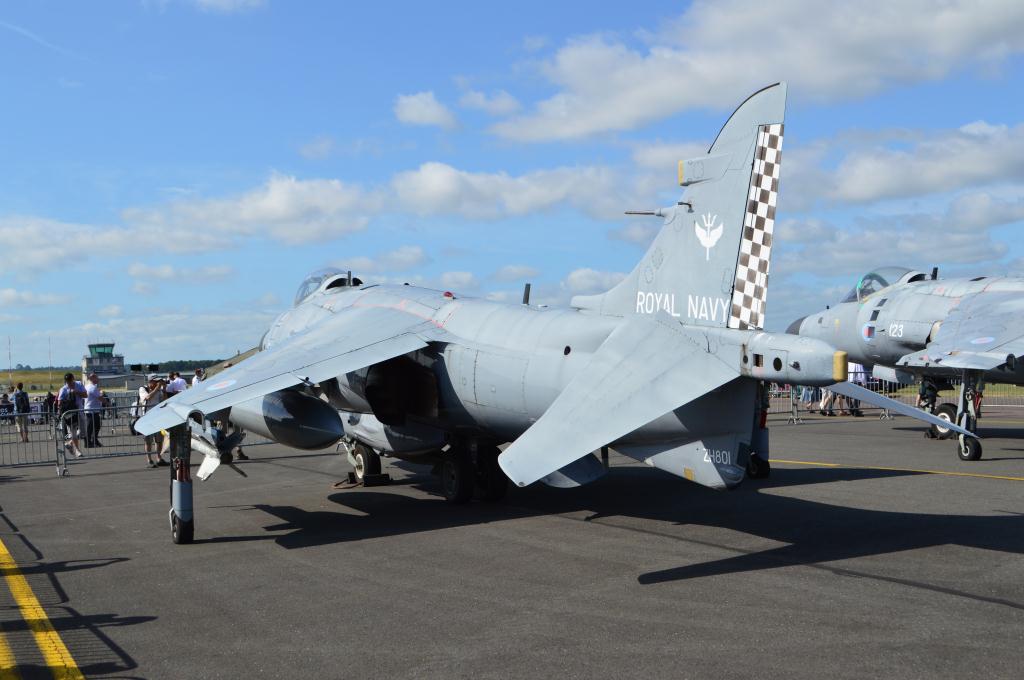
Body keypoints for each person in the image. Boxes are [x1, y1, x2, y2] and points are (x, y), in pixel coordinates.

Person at [138, 375, 170, 467]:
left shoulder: (159, 390)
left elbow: (165, 401)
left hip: (157, 418)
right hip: (147, 418)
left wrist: (164, 389)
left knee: (159, 440)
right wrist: (157, 388)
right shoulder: (143, 389)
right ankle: (149, 460)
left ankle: (159, 458)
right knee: (148, 440)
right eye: (155, 381)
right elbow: (147, 398)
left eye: (158, 381)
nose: (157, 383)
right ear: (150, 381)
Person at [57, 372, 87, 458]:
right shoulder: (63, 389)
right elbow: (59, 403)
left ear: (73, 379)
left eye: (70, 380)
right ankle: (77, 450)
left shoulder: (79, 384)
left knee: (83, 432)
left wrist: (76, 392)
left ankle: (70, 443)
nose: (69, 383)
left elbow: (85, 395)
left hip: (80, 410)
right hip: (70, 413)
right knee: (73, 432)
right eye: (67, 381)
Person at [83, 373, 104, 447]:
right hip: (91, 410)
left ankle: (94, 440)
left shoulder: (88, 386)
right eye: (96, 378)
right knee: (91, 427)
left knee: (96, 426)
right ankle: (88, 442)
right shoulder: (92, 387)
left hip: (92, 409)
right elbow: (100, 398)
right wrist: (107, 403)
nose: (98, 379)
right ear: (92, 378)